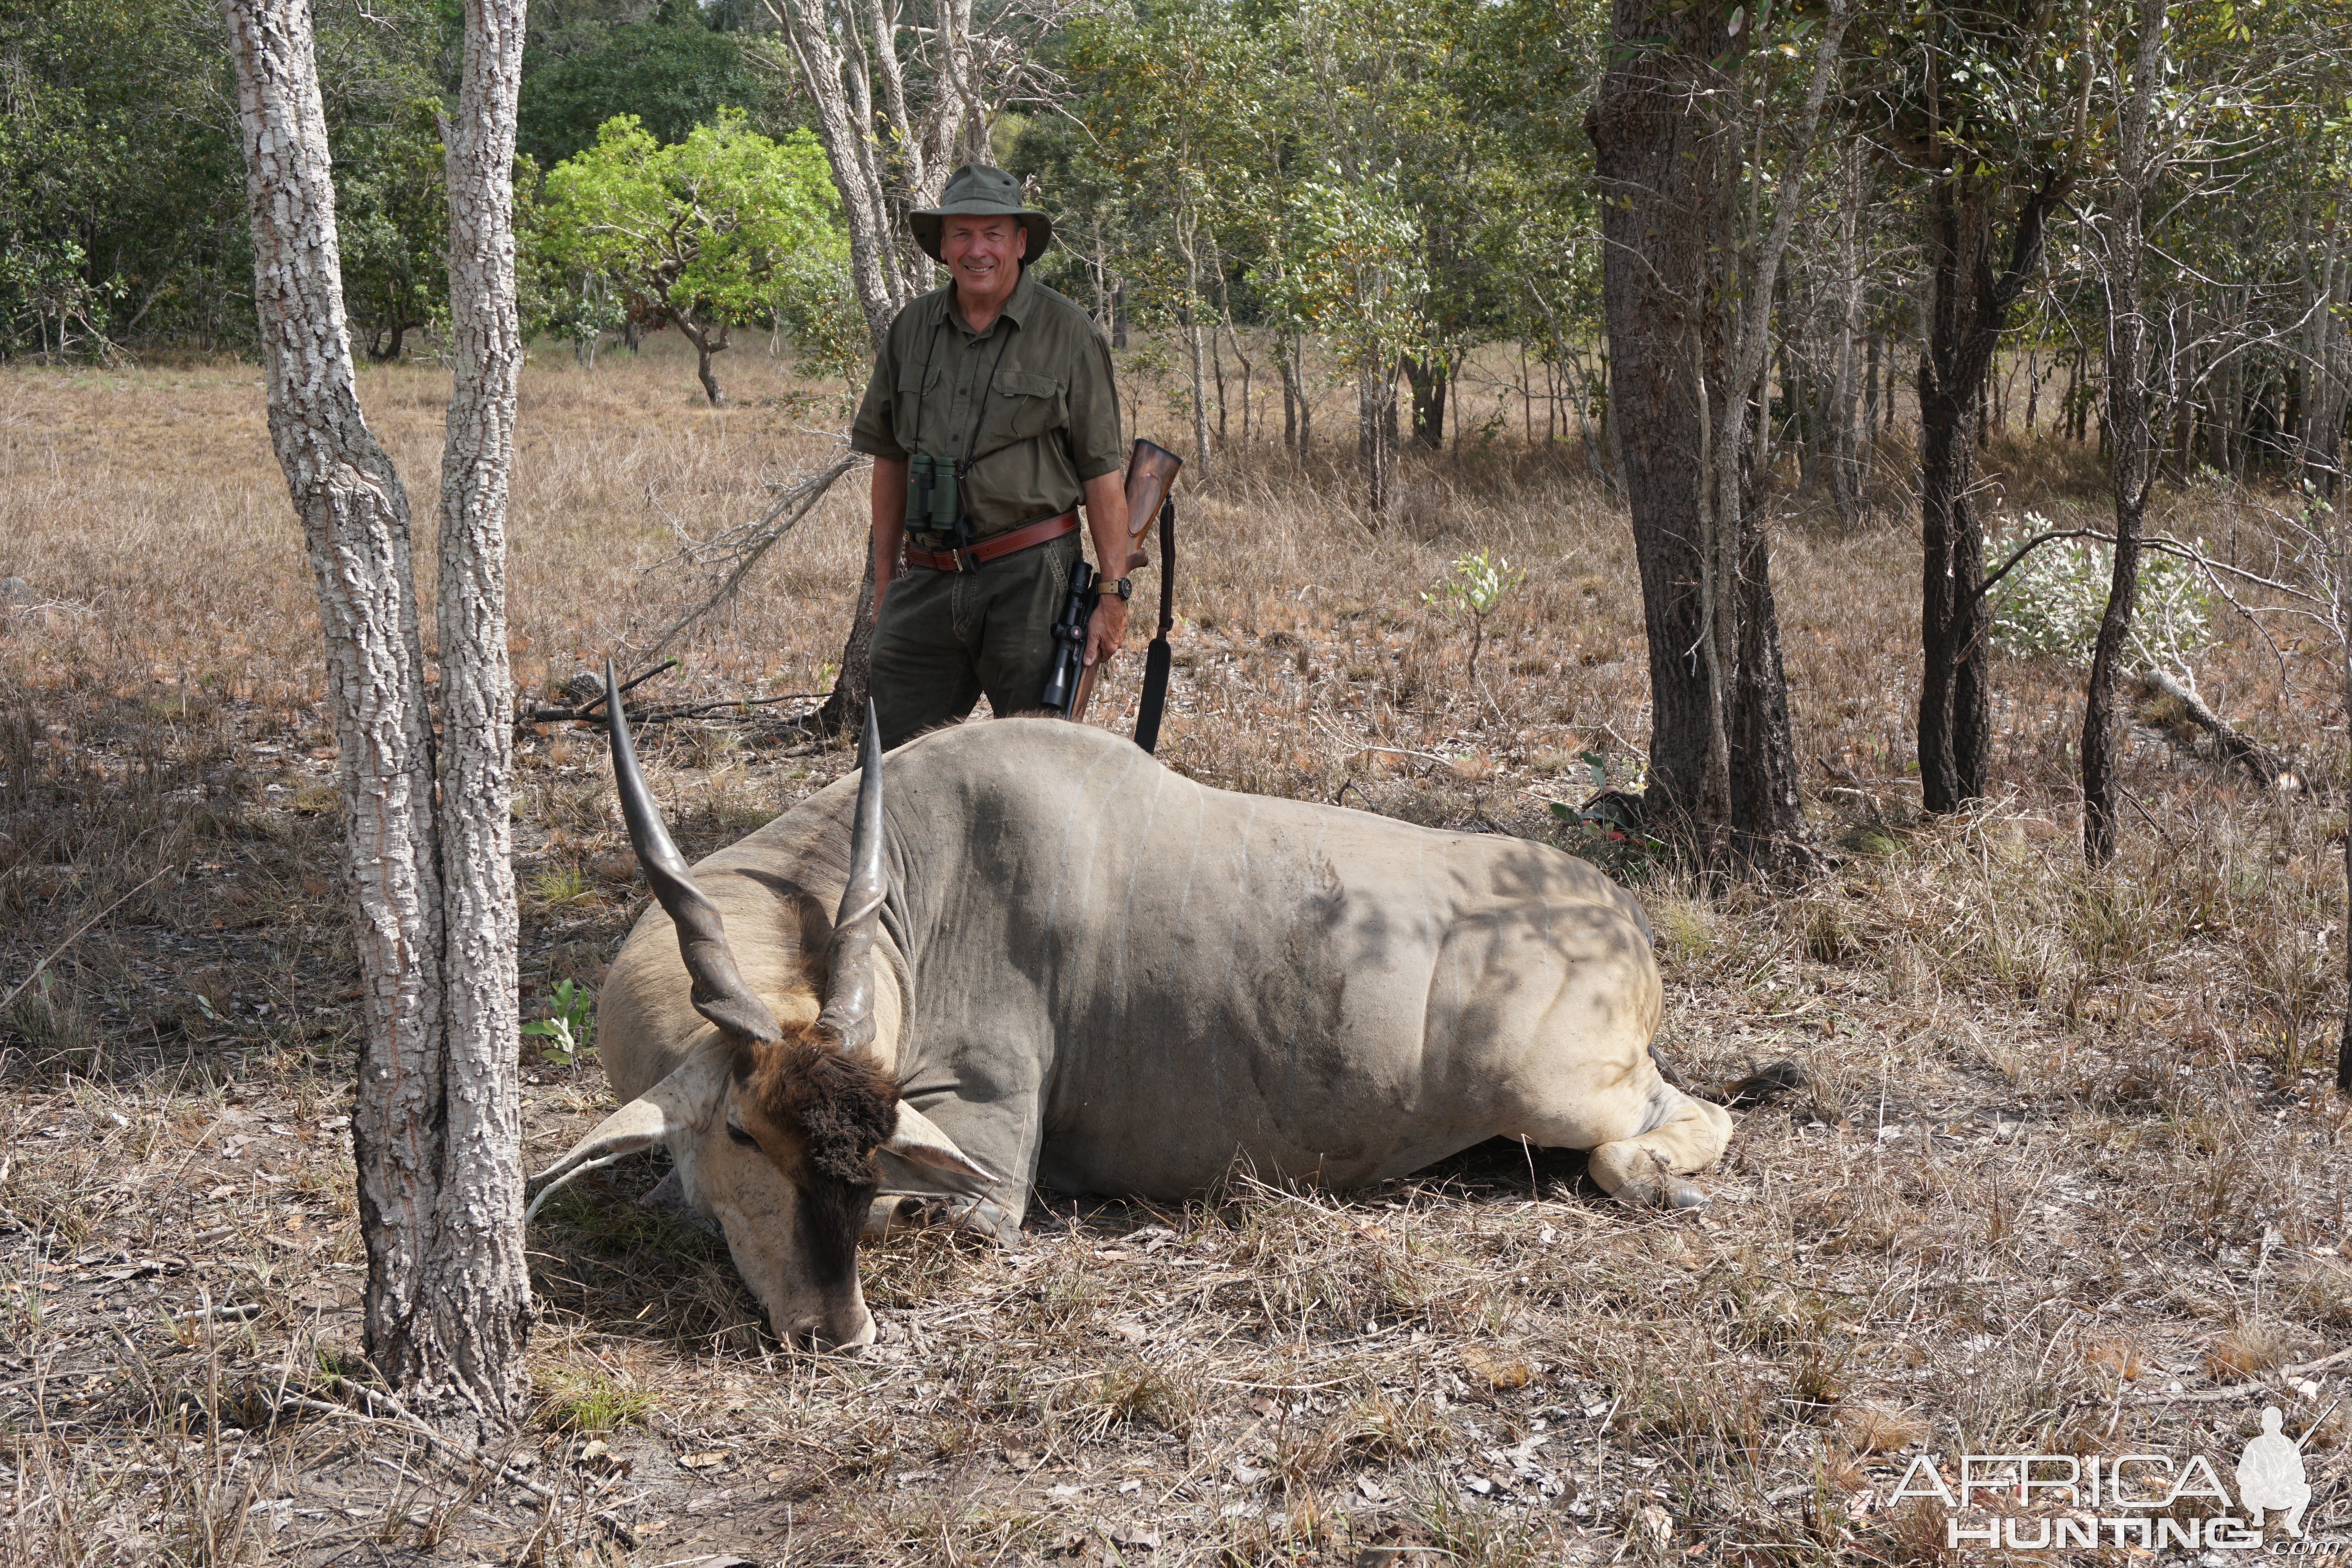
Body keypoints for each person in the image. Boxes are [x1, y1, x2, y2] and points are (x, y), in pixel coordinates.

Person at [848, 162, 1129, 750]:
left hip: (1031, 579)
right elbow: (890, 461)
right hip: (925, 576)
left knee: (1035, 766)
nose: (978, 250)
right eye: (963, 235)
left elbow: (1102, 473)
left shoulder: (1068, 332)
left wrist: (1112, 594)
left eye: (993, 234)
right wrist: (884, 585)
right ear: (943, 247)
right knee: (889, 768)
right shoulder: (910, 330)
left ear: (1020, 244)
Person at [2236, 1405, 2311, 1535]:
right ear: (2263, 1424)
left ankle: (2292, 1523)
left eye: (2275, 1424)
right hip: (2259, 1495)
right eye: (2269, 1424)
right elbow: (2242, 1473)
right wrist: (2260, 1481)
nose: (2272, 1427)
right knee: (2248, 1488)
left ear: (2281, 1424)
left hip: (2282, 1495)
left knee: (2306, 1490)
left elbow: (2301, 1474)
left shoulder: (2289, 1445)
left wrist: (2287, 1480)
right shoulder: (2255, 1444)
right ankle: (2258, 1515)